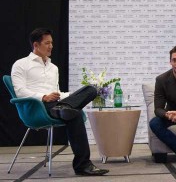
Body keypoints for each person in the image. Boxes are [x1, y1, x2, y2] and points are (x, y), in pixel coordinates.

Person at [11, 28, 109, 176]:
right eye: (47, 43)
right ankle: (83, 166)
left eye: (52, 43)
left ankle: (64, 107)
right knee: (72, 114)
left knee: (91, 90)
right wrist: (43, 96)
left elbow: (57, 93)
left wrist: (74, 95)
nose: (51, 46)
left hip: (56, 104)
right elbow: (19, 91)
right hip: (38, 107)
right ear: (36, 45)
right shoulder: (21, 64)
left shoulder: (53, 68)